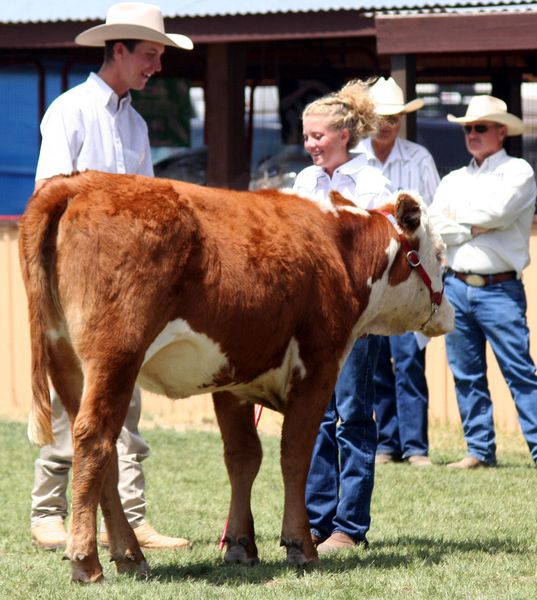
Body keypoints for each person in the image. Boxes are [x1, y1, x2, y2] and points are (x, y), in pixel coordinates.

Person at [30, 2, 194, 550]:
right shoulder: (70, 111)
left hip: (128, 282)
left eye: (159, 56)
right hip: (78, 273)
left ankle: (132, 517)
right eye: (150, 55)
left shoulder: (136, 122)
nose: (157, 66)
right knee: (73, 396)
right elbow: (50, 195)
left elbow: (148, 203)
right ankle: (48, 512)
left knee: (124, 396)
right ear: (118, 50)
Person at [293, 80, 392, 553]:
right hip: (310, 319)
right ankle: (315, 522)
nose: (311, 144)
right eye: (307, 136)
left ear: (344, 137)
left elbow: (381, 249)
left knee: (352, 417)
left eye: (318, 137)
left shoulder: (372, 183)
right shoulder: (303, 182)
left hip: (354, 318)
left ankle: (349, 528)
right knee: (314, 416)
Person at [428, 94, 537, 469]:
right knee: (466, 374)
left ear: (501, 132)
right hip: (456, 285)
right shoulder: (454, 178)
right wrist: (476, 226)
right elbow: (434, 225)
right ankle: (479, 450)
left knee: (519, 372)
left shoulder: (519, 171)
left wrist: (459, 221)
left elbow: (500, 211)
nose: (471, 134)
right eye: (468, 129)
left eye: (480, 128)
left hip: (500, 289)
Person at [354, 77, 440, 467]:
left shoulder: (419, 158)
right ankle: (387, 443)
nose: (387, 124)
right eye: (382, 117)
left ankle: (416, 446)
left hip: (409, 275)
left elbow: (433, 216)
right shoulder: (355, 159)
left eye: (394, 117)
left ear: (402, 120)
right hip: (372, 276)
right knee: (374, 362)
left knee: (407, 360)